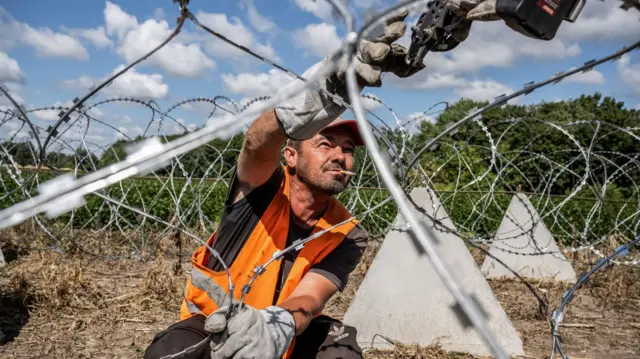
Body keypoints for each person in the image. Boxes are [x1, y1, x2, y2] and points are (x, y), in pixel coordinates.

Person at [144, 2, 505, 358]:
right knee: (172, 350)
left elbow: (311, 297)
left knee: (340, 346)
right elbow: (257, 143)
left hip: (282, 332)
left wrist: (279, 324)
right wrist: (323, 90)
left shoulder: (348, 233)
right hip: (212, 327)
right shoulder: (259, 195)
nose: (339, 155)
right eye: (324, 143)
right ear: (291, 155)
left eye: (348, 148)